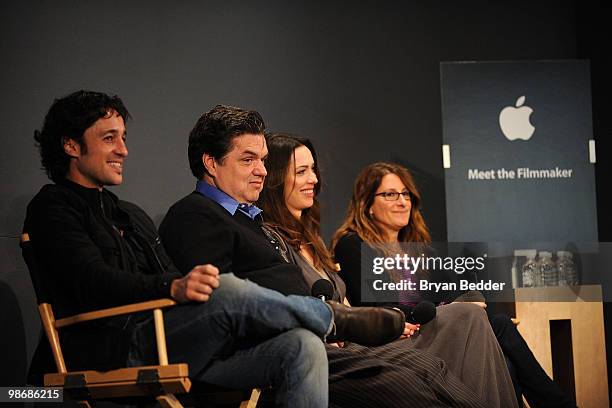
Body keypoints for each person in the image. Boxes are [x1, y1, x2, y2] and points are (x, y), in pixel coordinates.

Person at [25, 90, 404, 408]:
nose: (123, 149)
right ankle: (330, 318)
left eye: (124, 137)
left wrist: (184, 287)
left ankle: (321, 322)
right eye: (109, 138)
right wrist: (173, 288)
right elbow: (91, 281)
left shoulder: (130, 215)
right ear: (71, 145)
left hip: (174, 341)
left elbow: (169, 274)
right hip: (112, 349)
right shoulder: (52, 207)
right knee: (225, 286)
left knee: (301, 347)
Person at [160, 105, 494, 408]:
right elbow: (224, 306)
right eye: (248, 160)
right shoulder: (194, 214)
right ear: (211, 163)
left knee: (430, 367)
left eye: (263, 159)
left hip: (319, 340)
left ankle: (333, 321)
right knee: (409, 385)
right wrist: (319, 325)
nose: (262, 170)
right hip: (272, 348)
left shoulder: (250, 219)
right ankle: (332, 319)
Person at [258, 133, 519, 408]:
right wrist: (388, 321)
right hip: (362, 345)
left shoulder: (316, 241)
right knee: (467, 318)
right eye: (302, 171)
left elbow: (349, 306)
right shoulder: (335, 244)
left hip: (375, 336)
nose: (313, 179)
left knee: (471, 315)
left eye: (313, 169)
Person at [331, 161, 578, 408]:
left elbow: (453, 291)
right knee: (486, 323)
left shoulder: (419, 251)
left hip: (426, 327)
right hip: (395, 337)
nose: (402, 202)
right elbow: (378, 307)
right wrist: (444, 308)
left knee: (496, 324)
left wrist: (468, 298)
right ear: (367, 204)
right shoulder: (353, 245)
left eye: (406, 194)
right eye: (390, 194)